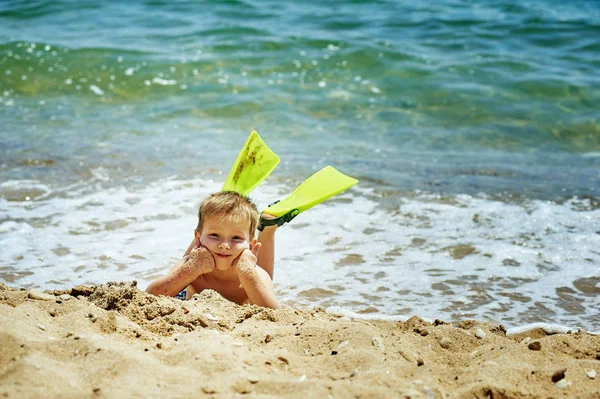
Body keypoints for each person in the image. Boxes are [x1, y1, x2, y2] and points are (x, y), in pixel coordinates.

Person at [146, 191, 280, 309]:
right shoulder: (190, 266)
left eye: (236, 238)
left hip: (251, 286)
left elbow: (275, 313)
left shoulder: (255, 273)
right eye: (215, 235)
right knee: (192, 258)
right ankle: (203, 240)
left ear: (250, 245)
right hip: (184, 293)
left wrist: (247, 274)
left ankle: (267, 229)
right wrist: (191, 270)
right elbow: (148, 297)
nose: (224, 245)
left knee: (263, 282)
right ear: (196, 237)